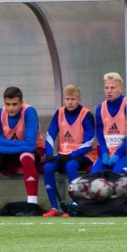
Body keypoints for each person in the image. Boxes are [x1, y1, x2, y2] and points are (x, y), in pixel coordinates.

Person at [0, 86, 44, 216]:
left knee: (26, 156)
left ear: (21, 102)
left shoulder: (29, 112)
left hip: (32, 152)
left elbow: (31, 145)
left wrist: (2, 141)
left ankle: (32, 205)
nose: (11, 108)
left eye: (14, 104)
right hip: (14, 151)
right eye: (7, 104)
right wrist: (16, 145)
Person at [42, 84, 98, 217]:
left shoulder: (86, 114)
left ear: (78, 100)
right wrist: (49, 153)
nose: (70, 102)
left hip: (84, 154)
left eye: (73, 99)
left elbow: (90, 142)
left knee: (71, 165)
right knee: (48, 167)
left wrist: (73, 154)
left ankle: (74, 204)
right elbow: (50, 134)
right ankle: (54, 207)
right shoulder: (60, 113)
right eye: (67, 99)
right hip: (64, 153)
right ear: (63, 100)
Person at [90, 72, 127, 174]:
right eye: (106, 88)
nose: (109, 91)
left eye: (113, 88)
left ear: (121, 89)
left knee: (117, 177)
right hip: (108, 154)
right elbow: (100, 136)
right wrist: (105, 154)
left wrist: (118, 154)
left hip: (125, 154)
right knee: (93, 177)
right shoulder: (100, 108)